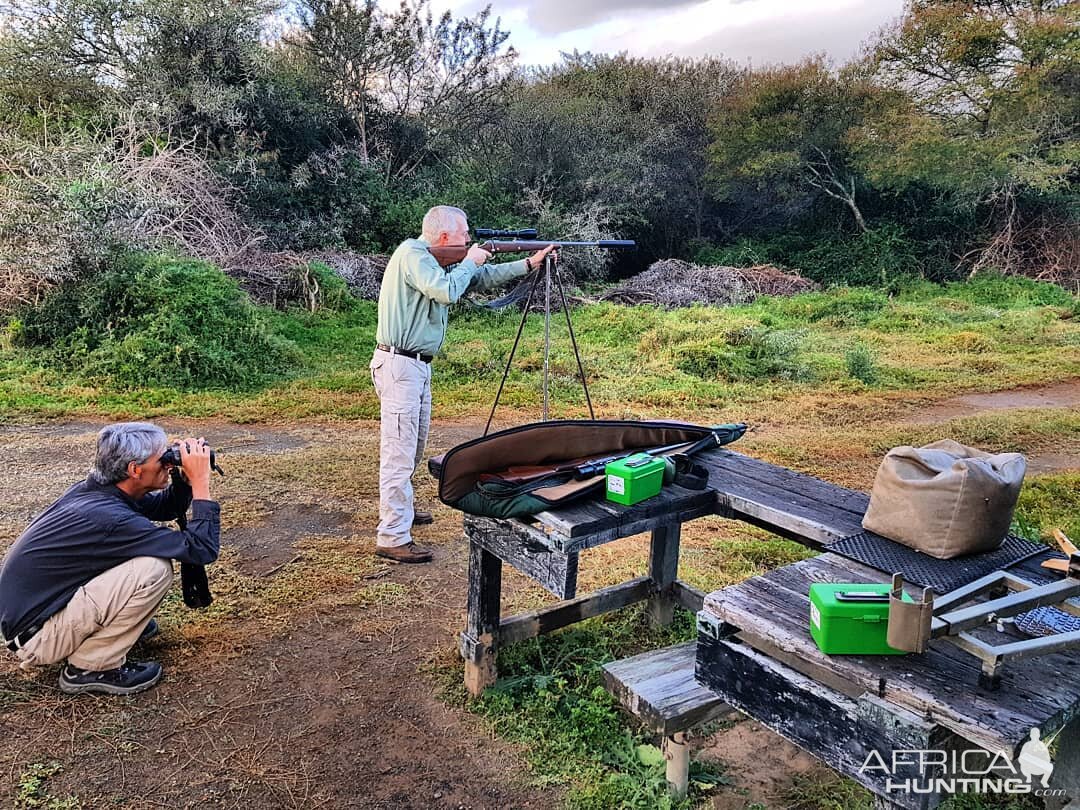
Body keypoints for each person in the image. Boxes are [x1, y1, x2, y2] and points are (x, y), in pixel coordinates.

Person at [371, 205, 554, 563]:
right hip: (400, 365)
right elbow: (447, 291)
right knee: (398, 452)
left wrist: (529, 264)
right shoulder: (413, 255)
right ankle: (392, 535)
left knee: (412, 446)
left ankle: (401, 514)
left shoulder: (432, 259)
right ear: (444, 237)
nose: (469, 238)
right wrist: (472, 259)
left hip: (416, 366)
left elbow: (477, 280)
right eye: (464, 233)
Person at [0, 422, 220, 695]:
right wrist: (201, 484)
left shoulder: (104, 490)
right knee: (153, 568)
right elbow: (200, 548)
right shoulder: (109, 517)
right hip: (40, 636)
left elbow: (165, 507)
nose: (168, 463)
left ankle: (107, 631)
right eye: (162, 459)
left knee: (141, 557)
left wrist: (184, 479)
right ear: (135, 470)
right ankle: (90, 666)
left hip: (37, 615)